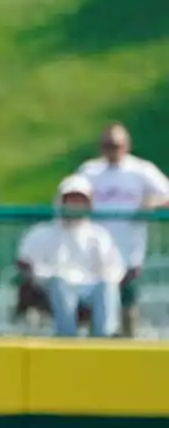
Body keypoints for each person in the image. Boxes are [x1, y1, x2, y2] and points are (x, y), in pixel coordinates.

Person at [77, 123, 169, 337]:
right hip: (94, 251)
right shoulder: (90, 171)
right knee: (97, 305)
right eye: (107, 145)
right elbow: (70, 197)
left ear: (126, 146)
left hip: (128, 248)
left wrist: (152, 202)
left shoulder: (141, 170)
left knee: (128, 304)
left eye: (116, 145)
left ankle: (129, 345)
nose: (112, 150)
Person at [17, 174, 125, 338]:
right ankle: (67, 336)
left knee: (107, 286)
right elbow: (26, 262)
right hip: (52, 285)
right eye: (71, 199)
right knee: (61, 284)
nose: (75, 205)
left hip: (91, 285)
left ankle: (105, 336)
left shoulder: (99, 235)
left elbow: (114, 266)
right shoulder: (41, 233)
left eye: (80, 200)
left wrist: (107, 277)